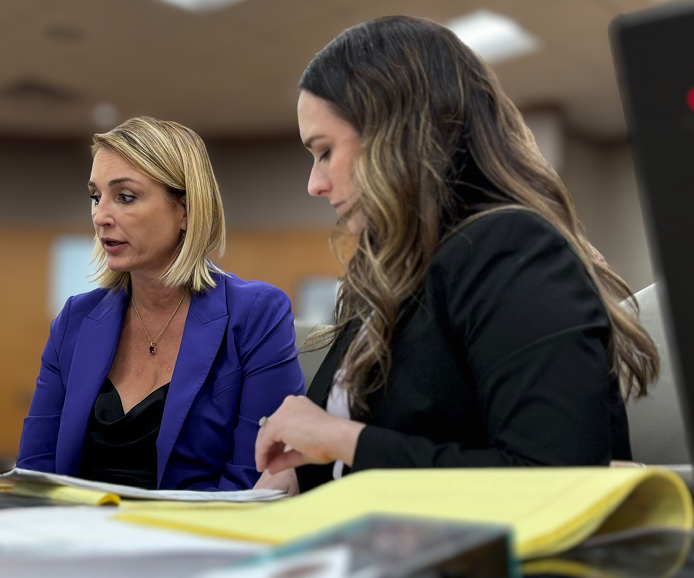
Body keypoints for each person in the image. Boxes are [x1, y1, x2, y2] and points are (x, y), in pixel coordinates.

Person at [254, 16, 659, 495]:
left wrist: (342, 439)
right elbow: (356, 458)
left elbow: (556, 477)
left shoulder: (510, 248)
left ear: (396, 136)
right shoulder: (385, 278)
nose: (314, 184)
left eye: (324, 152)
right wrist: (296, 476)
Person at [17, 117, 305, 491]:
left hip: (200, 542)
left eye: (124, 197)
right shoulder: (75, 319)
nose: (101, 216)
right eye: (95, 197)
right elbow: (36, 471)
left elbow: (256, 482)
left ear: (184, 210)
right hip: (77, 539)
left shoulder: (256, 314)